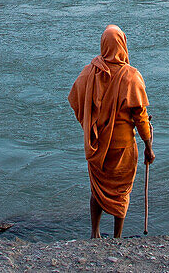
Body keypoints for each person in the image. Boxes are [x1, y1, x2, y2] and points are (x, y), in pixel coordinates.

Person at [68, 24, 155, 239]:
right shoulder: (131, 77)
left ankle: (94, 232)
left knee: (97, 189)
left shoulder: (89, 72)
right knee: (121, 191)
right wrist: (148, 147)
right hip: (123, 146)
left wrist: (89, 124)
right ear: (123, 44)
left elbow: (76, 100)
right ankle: (117, 237)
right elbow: (141, 118)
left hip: (97, 143)